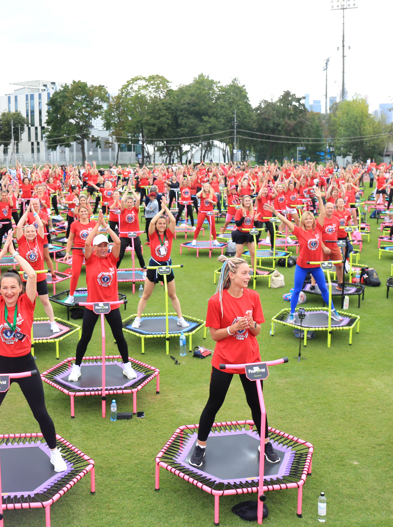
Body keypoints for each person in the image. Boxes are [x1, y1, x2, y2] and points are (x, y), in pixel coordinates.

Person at [0, 237, 66, 476]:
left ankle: (54, 452)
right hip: (1, 367)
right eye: (5, 287)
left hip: (27, 366)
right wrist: (1, 254)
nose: (8, 291)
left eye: (13, 287)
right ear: (0, 290)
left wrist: (15, 253)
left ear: (20, 289)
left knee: (40, 412)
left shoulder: (27, 303)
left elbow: (32, 276)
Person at [188, 258, 280, 468]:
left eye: (249, 273)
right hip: (225, 362)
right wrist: (234, 328)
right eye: (245, 273)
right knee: (214, 403)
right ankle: (200, 446)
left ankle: (265, 444)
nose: (249, 276)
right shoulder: (216, 301)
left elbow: (257, 331)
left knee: (258, 405)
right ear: (231, 275)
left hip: (251, 361)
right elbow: (214, 335)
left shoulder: (254, 296)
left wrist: (250, 324)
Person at [68, 211, 137, 382]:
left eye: (105, 245)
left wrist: (107, 226)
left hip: (111, 304)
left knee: (119, 336)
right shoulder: (90, 259)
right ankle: (76, 368)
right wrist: (97, 225)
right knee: (85, 337)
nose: (103, 248)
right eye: (100, 246)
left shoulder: (112, 259)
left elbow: (119, 241)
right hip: (93, 305)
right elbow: (86, 242)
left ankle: (127, 366)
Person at [271, 208, 339, 322]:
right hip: (302, 266)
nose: (308, 221)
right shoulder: (299, 231)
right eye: (306, 219)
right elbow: (287, 222)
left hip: (316, 266)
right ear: (303, 221)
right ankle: (292, 314)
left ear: (313, 220)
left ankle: (333, 311)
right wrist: (274, 211)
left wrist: (318, 197)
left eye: (310, 219)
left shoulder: (318, 229)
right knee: (297, 290)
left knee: (324, 289)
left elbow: (322, 213)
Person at [132, 200, 188, 329]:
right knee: (146, 295)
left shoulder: (169, 233)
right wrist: (161, 211)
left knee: (173, 294)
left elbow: (173, 221)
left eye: (164, 223)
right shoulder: (152, 235)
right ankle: (138, 318)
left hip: (167, 266)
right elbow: (151, 222)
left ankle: (180, 318)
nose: (162, 225)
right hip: (154, 265)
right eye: (160, 223)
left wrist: (166, 209)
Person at [14, 205, 61, 332]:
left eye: (32, 231)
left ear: (35, 232)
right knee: (25, 303)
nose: (30, 233)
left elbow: (41, 225)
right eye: (27, 231)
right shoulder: (22, 241)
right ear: (25, 233)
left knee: (45, 300)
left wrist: (34, 212)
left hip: (40, 276)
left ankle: (52, 323)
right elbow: (18, 226)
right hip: (25, 278)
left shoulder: (39, 240)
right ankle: (24, 323)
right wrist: (26, 212)